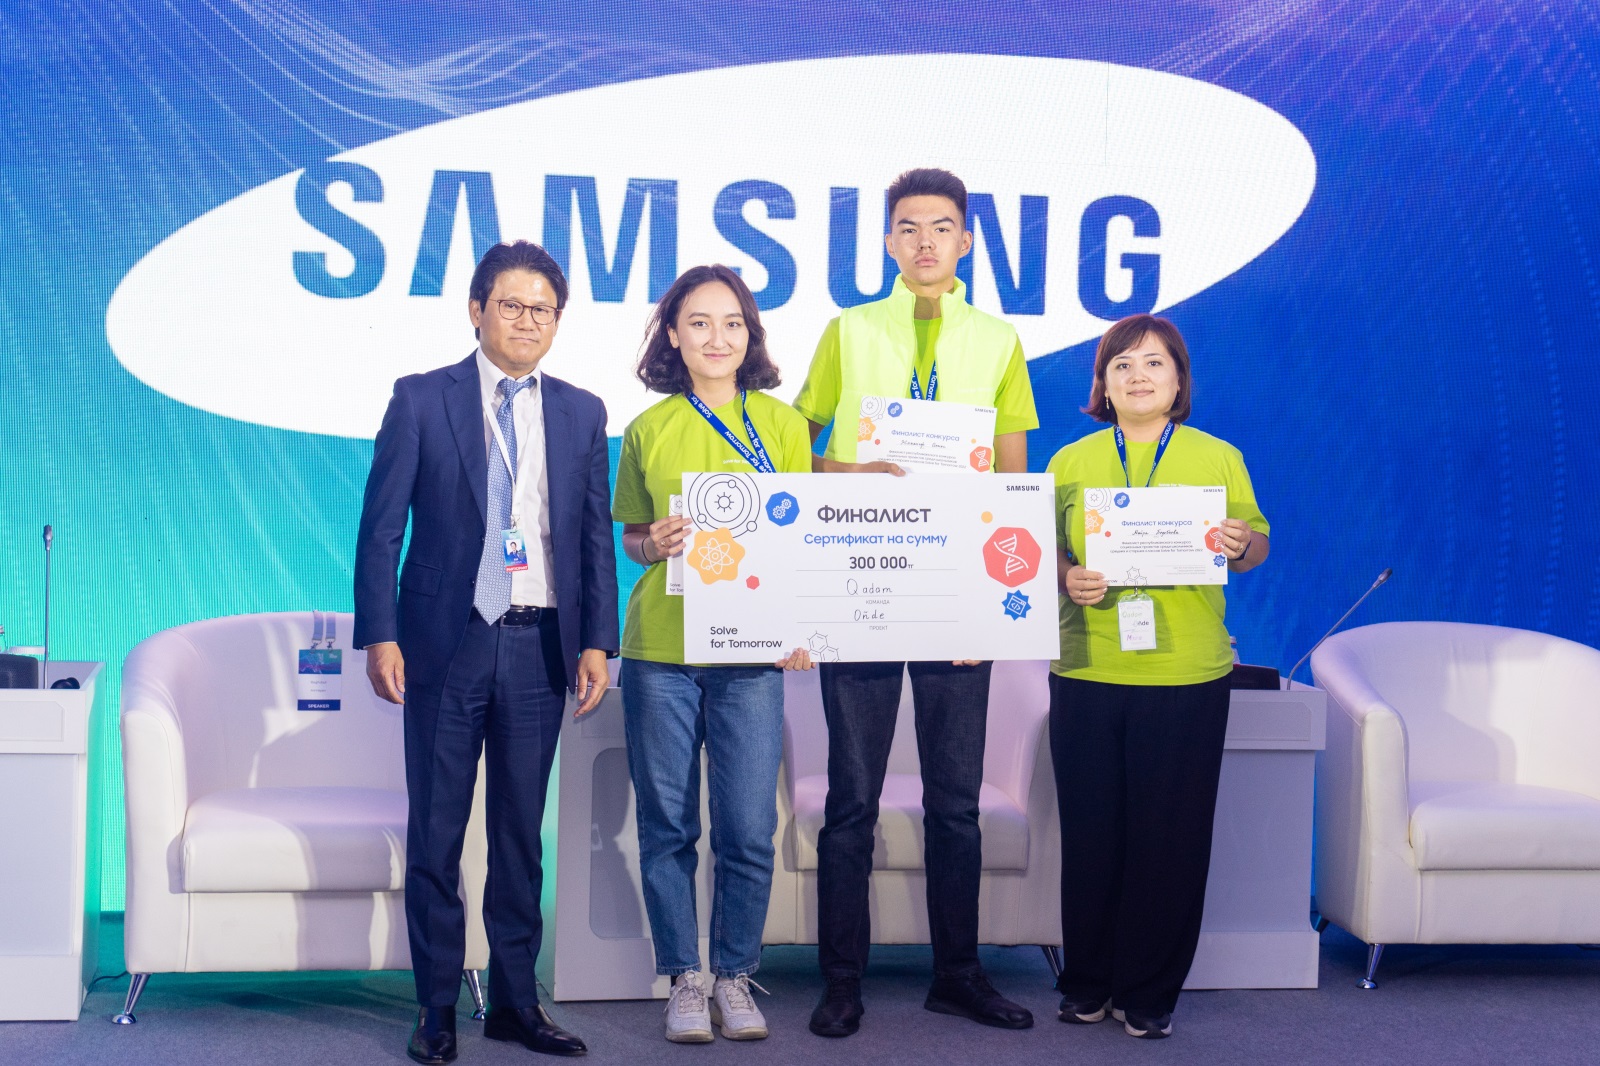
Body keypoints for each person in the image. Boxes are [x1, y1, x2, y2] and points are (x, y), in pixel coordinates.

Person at [354, 240, 618, 1064]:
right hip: (447, 642)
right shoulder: (421, 398)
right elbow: (380, 528)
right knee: (436, 831)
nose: (527, 320)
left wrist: (598, 641)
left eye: (543, 309)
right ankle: (436, 1007)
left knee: (518, 836)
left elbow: (591, 539)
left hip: (541, 645)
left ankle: (514, 1003)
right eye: (511, 305)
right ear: (477, 310)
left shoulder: (582, 412)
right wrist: (381, 631)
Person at [791, 167, 1039, 1037]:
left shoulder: (998, 341)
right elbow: (791, 450)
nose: (924, 241)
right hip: (863, 582)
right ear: (889, 241)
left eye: (940, 227)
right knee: (852, 800)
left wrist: (988, 609)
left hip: (954, 599)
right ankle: (841, 982)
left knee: (955, 804)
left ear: (965, 240)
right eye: (908, 227)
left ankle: (958, 975)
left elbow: (1010, 485)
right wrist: (849, 470)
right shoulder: (849, 330)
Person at [1048, 314, 1269, 1040]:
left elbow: (1255, 547)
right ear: (1103, 385)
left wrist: (1240, 542)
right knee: (1091, 834)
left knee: (1169, 839)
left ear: (1178, 381)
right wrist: (1067, 576)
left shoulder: (1218, 457)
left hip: (1186, 673)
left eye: (1153, 363)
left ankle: (1149, 993)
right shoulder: (1070, 461)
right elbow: (1038, 553)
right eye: (1122, 365)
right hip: (1087, 667)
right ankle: (1086, 982)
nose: (1137, 376)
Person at [612, 265, 815, 1044]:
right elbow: (632, 537)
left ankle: (735, 974)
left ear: (749, 333)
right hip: (662, 650)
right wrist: (654, 543)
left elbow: (804, 539)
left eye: (732, 322)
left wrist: (803, 627)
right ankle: (684, 980)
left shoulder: (784, 425)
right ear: (673, 334)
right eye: (698, 322)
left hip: (753, 657)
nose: (717, 337)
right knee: (667, 825)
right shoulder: (647, 429)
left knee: (748, 829)